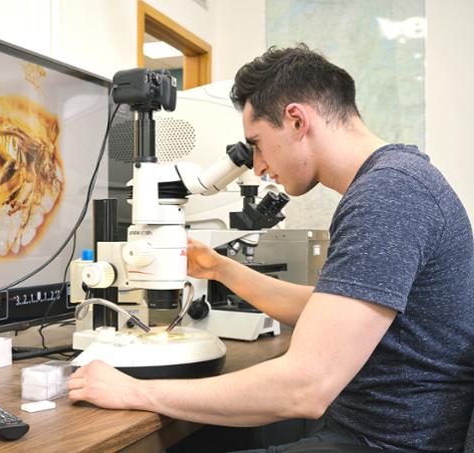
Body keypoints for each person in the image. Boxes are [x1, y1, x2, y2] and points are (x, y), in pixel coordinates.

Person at [66, 44, 474, 452]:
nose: (258, 166)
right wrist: (222, 269)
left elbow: (304, 388)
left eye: (256, 143)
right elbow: (328, 311)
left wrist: (135, 392)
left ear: (296, 120)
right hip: (367, 428)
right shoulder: (395, 179)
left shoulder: (388, 194)